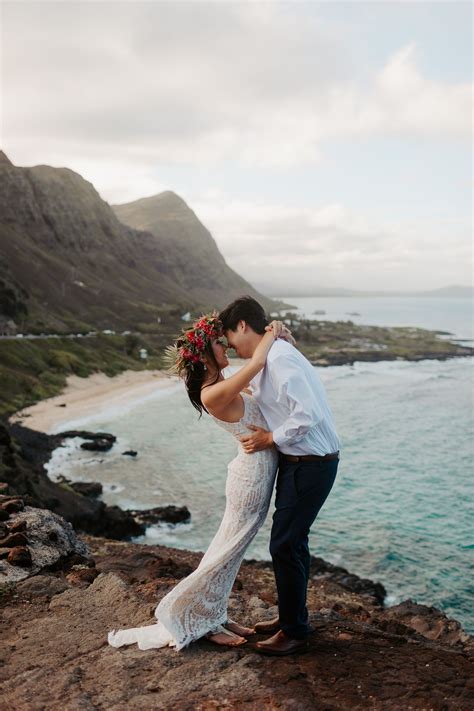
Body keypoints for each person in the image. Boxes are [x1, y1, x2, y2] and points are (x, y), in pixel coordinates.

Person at [107, 312, 292, 651]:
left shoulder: (222, 382)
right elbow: (259, 362)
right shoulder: (212, 394)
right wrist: (272, 331)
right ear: (204, 354)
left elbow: (258, 383)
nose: (226, 347)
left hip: (254, 473)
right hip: (250, 480)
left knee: (230, 551)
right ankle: (197, 619)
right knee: (228, 550)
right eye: (219, 343)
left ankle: (214, 613)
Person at [219, 296, 340, 656]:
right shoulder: (271, 357)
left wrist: (271, 438)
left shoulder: (280, 357)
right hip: (301, 462)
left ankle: (295, 632)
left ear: (243, 325)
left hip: (312, 463)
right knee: (293, 542)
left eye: (230, 336)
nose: (231, 346)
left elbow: (307, 414)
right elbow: (280, 401)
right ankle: (293, 619)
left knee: (284, 544)